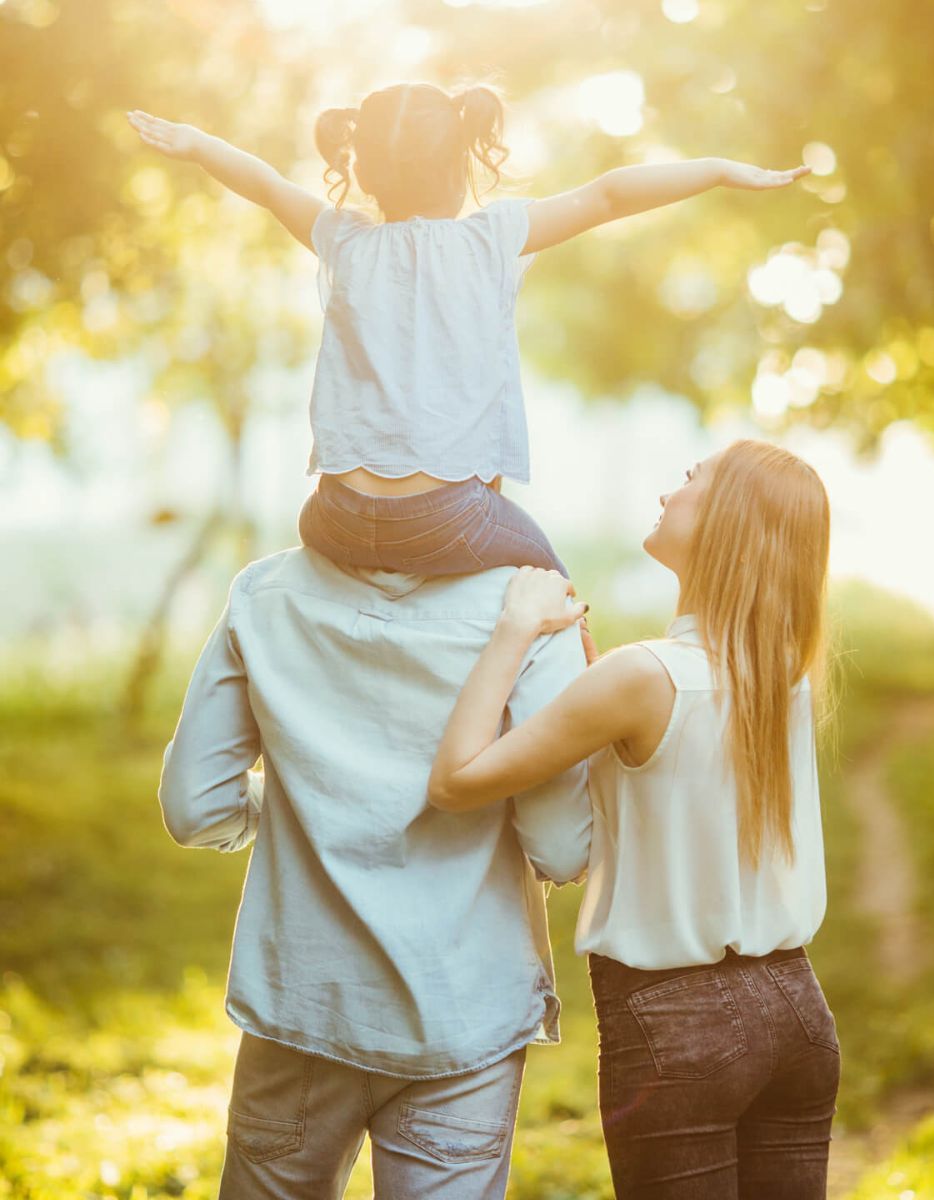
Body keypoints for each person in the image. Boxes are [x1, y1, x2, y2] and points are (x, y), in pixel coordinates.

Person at [127, 83, 809, 577]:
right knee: (555, 592)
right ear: (462, 163)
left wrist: (197, 145)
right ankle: (599, 692)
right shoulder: (494, 238)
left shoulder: (343, 240)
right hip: (446, 525)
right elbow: (610, 193)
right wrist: (720, 170)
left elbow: (267, 183)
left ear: (360, 171)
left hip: (330, 518)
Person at [429, 438, 841, 1199]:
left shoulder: (640, 677)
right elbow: (671, 777)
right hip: (798, 1013)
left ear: (726, 523)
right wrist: (597, 679)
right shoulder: (781, 676)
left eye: (691, 479)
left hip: (677, 1025)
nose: (667, 493)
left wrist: (515, 630)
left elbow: (456, 780)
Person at [157, 552, 591, 1198]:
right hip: (463, 1014)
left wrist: (289, 808)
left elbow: (196, 807)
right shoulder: (532, 609)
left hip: (302, 1004)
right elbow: (561, 848)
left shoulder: (265, 592)